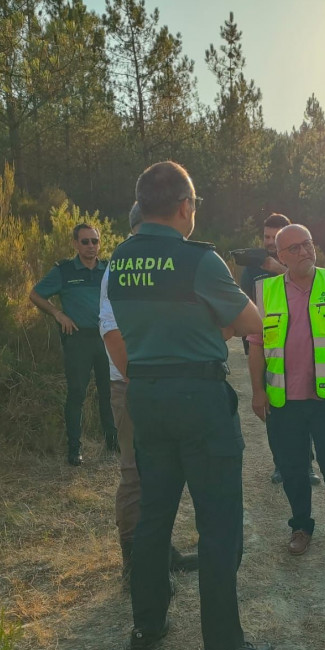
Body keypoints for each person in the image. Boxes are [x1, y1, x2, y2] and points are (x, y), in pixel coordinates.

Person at [107, 160, 273, 650]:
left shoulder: (118, 261)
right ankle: (223, 648)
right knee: (218, 523)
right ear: (185, 206)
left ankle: (147, 626)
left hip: (146, 396)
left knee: (155, 515)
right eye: (195, 203)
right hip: (198, 399)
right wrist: (207, 329)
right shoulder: (200, 262)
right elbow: (251, 320)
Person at [248, 223, 325, 555]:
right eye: (295, 248)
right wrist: (258, 391)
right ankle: (301, 526)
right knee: (293, 467)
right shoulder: (265, 291)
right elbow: (256, 345)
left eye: (308, 244)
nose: (304, 252)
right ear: (279, 256)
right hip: (283, 399)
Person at [99, 201, 198, 587]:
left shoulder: (156, 267)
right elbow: (112, 333)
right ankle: (135, 565)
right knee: (135, 474)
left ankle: (159, 550)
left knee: (163, 471)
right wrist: (140, 381)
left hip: (158, 383)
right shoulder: (120, 268)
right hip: (132, 385)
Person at [234, 212, 320, 488]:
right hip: (263, 346)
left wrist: (277, 269)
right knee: (273, 407)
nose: (270, 242)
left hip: (299, 348)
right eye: (266, 237)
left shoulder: (298, 261)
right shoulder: (251, 268)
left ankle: (306, 463)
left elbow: (312, 284)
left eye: (275, 237)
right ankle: (281, 463)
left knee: (303, 405)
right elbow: (245, 304)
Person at [30, 223, 118, 466]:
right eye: (85, 241)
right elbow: (36, 294)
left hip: (105, 338)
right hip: (77, 339)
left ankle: (112, 441)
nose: (91, 246)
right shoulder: (64, 271)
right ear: (75, 244)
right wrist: (58, 314)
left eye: (95, 241)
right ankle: (74, 448)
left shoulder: (108, 270)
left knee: (108, 392)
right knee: (77, 393)